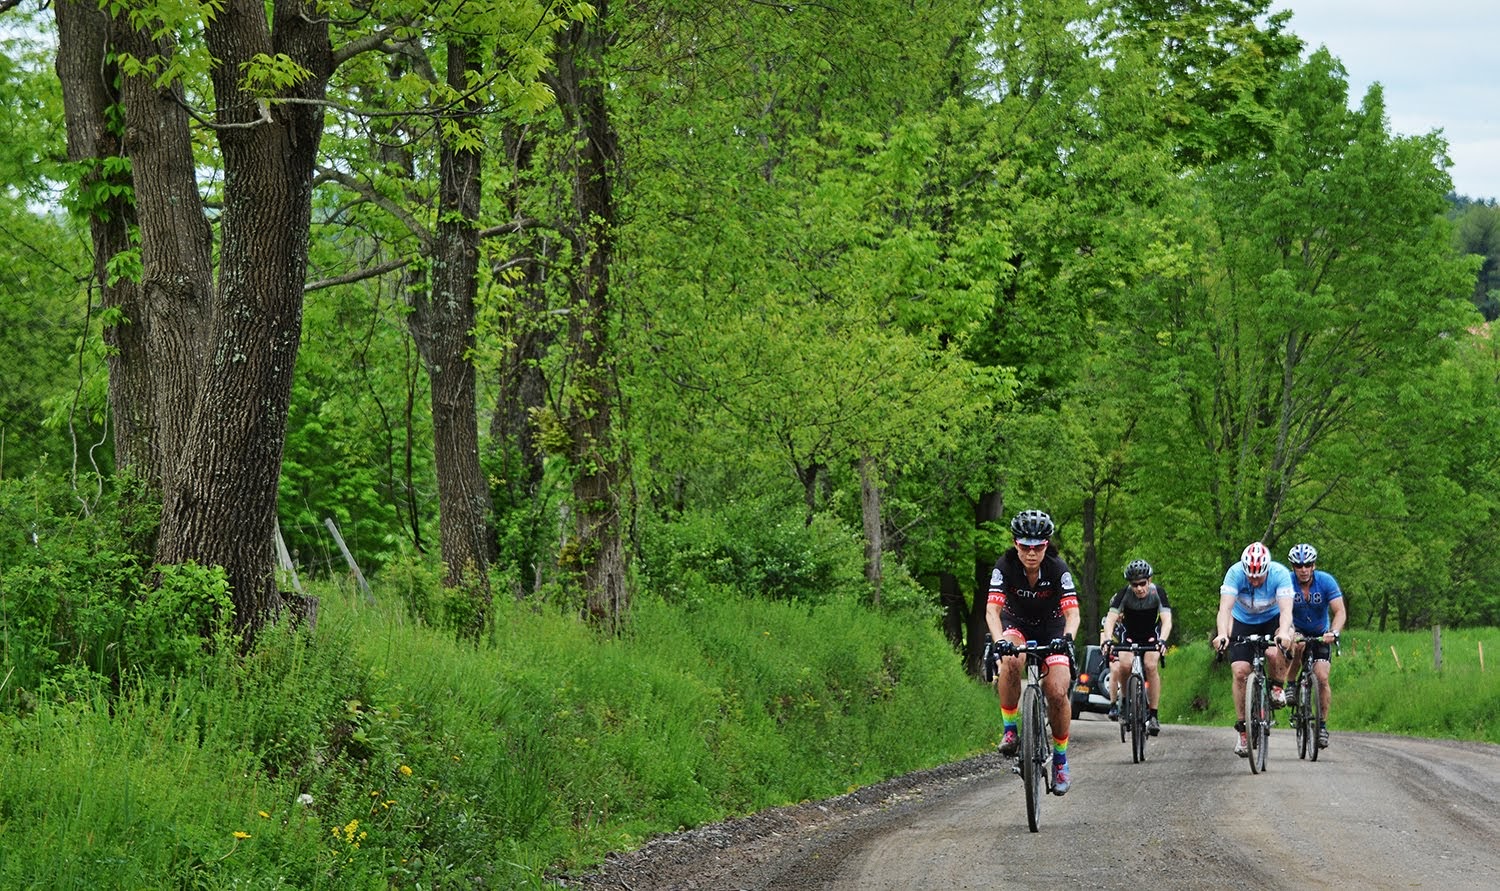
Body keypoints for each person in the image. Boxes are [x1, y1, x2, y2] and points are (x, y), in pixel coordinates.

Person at [986, 509, 1081, 794]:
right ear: (1015, 543)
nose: (1031, 553)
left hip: (1053, 627)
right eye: (1025, 546)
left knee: (1056, 690)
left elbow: (1073, 614)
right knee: (1011, 659)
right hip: (1015, 624)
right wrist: (998, 639)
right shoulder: (1004, 566)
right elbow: (993, 610)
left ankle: (1061, 762)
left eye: (1038, 546)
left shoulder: (1057, 568)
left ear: (1046, 544)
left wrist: (1067, 638)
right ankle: (1011, 729)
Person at [1211, 541, 1294, 757]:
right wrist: (1222, 634)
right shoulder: (1235, 573)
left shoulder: (1280, 574)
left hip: (1272, 618)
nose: (1254, 580)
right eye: (1250, 575)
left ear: (1267, 569)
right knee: (1240, 671)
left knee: (1276, 649)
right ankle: (1243, 730)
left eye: (1259, 576)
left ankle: (1277, 686)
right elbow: (1225, 608)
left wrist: (1283, 632)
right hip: (1242, 620)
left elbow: (1286, 611)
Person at [1100, 559, 1173, 735]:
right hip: (1130, 635)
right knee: (1124, 665)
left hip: (1151, 636)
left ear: (1150, 580)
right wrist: (1108, 639)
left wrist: (1162, 640)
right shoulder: (1123, 594)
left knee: (1150, 666)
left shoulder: (1158, 593)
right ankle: (1125, 701)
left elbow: (1167, 620)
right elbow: (1110, 619)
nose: (1139, 588)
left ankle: (1154, 715)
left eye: (1143, 583)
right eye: (1135, 585)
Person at [1285, 543, 1346, 748]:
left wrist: (1334, 632)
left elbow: (1340, 611)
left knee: (1322, 677)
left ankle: (1321, 726)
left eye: (1307, 565)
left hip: (1321, 633)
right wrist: (1288, 632)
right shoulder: (1287, 583)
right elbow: (1279, 611)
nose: (1303, 570)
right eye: (1299, 566)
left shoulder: (1326, 581)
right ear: (1293, 567)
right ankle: (1291, 684)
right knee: (1298, 646)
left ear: (1314, 565)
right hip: (1296, 629)